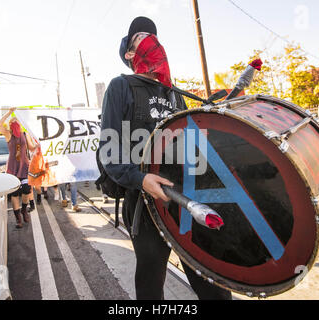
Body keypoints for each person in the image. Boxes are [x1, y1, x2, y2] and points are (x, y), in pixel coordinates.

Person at [99, 16, 232, 300]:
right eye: (140, 37)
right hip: (145, 203)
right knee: (150, 281)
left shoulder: (173, 93)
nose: (150, 40)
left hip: (186, 197)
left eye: (154, 36)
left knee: (211, 282)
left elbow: (192, 144)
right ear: (130, 54)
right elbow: (109, 150)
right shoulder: (120, 87)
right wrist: (140, 178)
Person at [0, 107, 38, 228]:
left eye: (17, 122)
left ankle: (24, 209)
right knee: (15, 193)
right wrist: (9, 113)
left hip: (25, 166)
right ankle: (18, 219)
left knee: (26, 189)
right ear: (10, 124)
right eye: (12, 122)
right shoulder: (8, 134)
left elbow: (31, 148)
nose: (15, 124)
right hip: (13, 166)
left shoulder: (25, 135)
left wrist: (40, 144)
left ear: (21, 123)